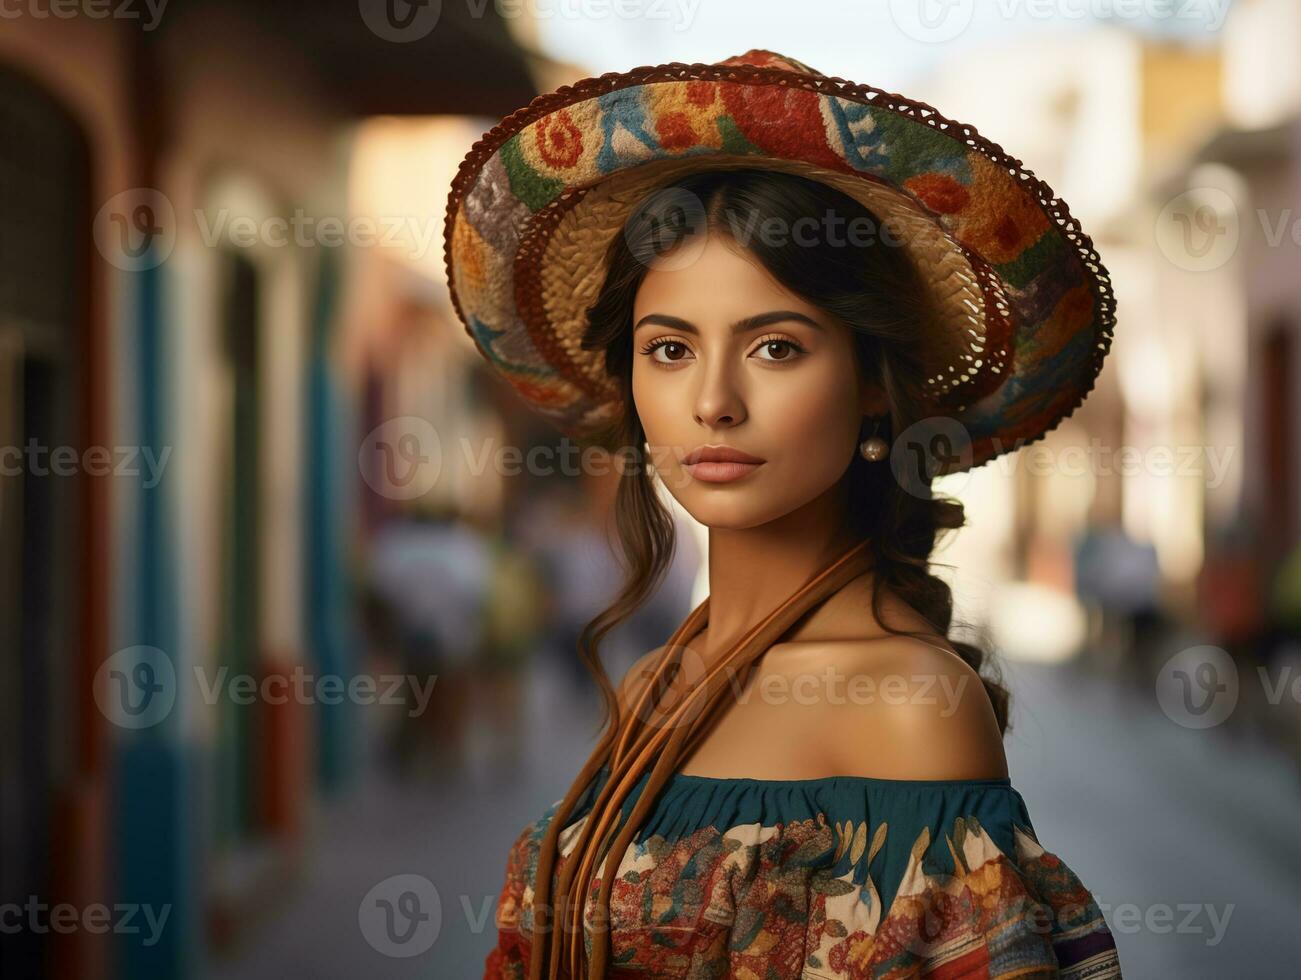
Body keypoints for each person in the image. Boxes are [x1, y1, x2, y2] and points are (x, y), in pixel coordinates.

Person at [445, 50, 1123, 978]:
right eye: (670, 348)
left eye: (774, 346)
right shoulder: (654, 681)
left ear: (874, 387)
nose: (713, 402)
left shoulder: (909, 706)